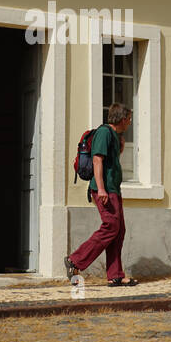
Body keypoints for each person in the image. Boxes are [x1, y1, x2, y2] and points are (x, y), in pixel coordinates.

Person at [65, 102, 138, 286]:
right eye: (129, 119)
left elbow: (111, 163)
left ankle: (115, 276)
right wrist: (102, 188)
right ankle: (75, 260)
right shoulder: (104, 132)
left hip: (114, 189)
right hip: (103, 190)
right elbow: (97, 160)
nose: (130, 123)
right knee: (111, 226)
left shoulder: (114, 135)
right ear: (122, 119)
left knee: (118, 231)